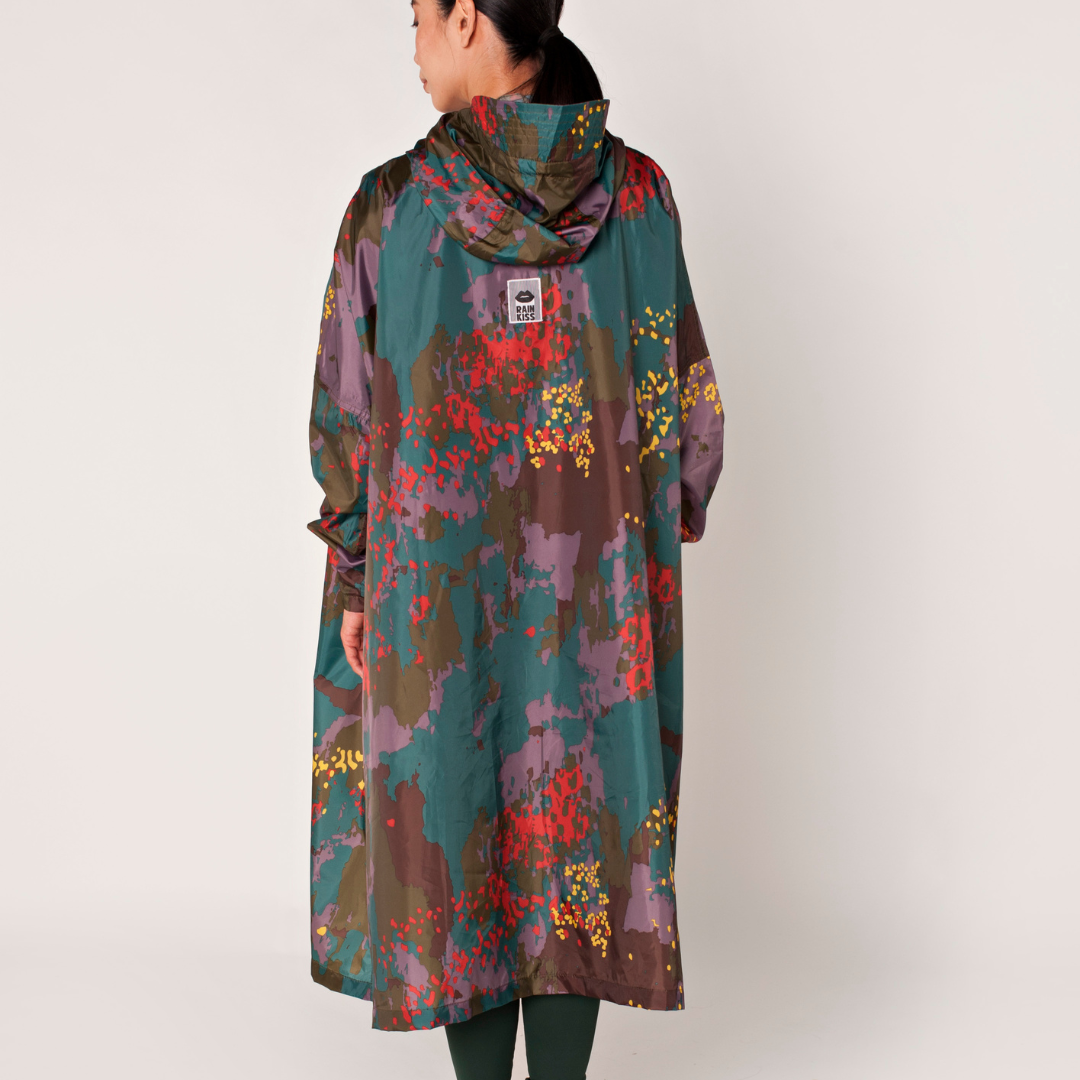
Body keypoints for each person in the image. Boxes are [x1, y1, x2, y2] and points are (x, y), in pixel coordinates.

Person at [305, 1, 725, 1077]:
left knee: (455, 815)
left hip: (435, 601)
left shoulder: (391, 209)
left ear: (465, 19)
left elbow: (346, 423)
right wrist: (643, 524)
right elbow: (691, 420)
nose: (410, 45)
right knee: (575, 832)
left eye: (416, 17)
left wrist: (356, 575)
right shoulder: (641, 197)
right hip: (600, 601)